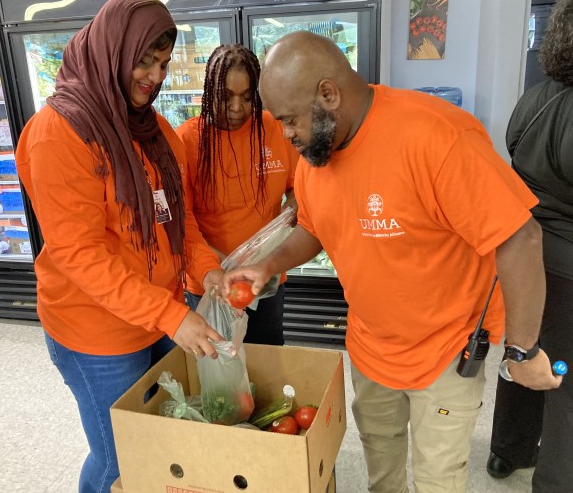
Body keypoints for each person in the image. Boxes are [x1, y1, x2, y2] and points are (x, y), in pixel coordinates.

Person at [222, 31, 563, 493]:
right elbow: (314, 227)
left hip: (444, 354)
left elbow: (519, 237)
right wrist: (268, 264)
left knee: (437, 479)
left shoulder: (437, 137)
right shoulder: (315, 158)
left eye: (289, 120)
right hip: (369, 348)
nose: (286, 134)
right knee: (382, 474)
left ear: (328, 94)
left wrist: (522, 350)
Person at [14, 0, 225, 493]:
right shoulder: (58, 135)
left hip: (156, 317)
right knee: (120, 462)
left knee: (159, 443)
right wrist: (173, 315)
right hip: (97, 335)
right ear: (112, 50)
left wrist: (207, 271)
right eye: (143, 59)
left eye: (164, 62)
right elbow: (80, 256)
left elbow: (181, 221)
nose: (154, 75)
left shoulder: (158, 134)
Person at [486, 0, 573, 492]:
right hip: (567, 271)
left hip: (524, 255)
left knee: (524, 352)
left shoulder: (535, 98)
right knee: (564, 376)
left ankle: (507, 451)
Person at [176, 44, 298, 345]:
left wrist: (289, 215)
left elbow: (299, 189)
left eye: (247, 97)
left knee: (266, 360)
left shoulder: (274, 130)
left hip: (265, 280)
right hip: (210, 283)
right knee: (218, 367)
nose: (236, 107)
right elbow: (182, 222)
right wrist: (221, 266)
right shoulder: (187, 140)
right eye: (225, 96)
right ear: (209, 92)